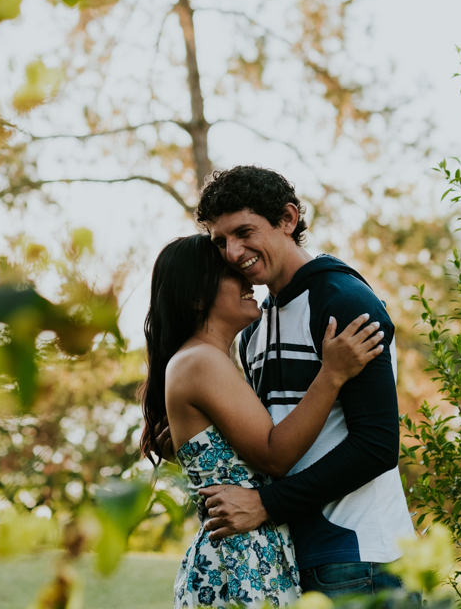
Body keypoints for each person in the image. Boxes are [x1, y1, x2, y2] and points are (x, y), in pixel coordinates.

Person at [160, 166, 417, 599]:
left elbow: (377, 445)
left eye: (244, 231)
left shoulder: (344, 302)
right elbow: (270, 436)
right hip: (292, 557)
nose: (233, 251)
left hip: (357, 553)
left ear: (288, 220)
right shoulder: (254, 329)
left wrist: (266, 505)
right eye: (221, 241)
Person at [139, 234, 386, 608]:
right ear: (195, 295)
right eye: (228, 272)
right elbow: (275, 455)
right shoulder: (201, 362)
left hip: (253, 554)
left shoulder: (209, 361)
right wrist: (332, 374)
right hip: (242, 562)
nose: (247, 280)